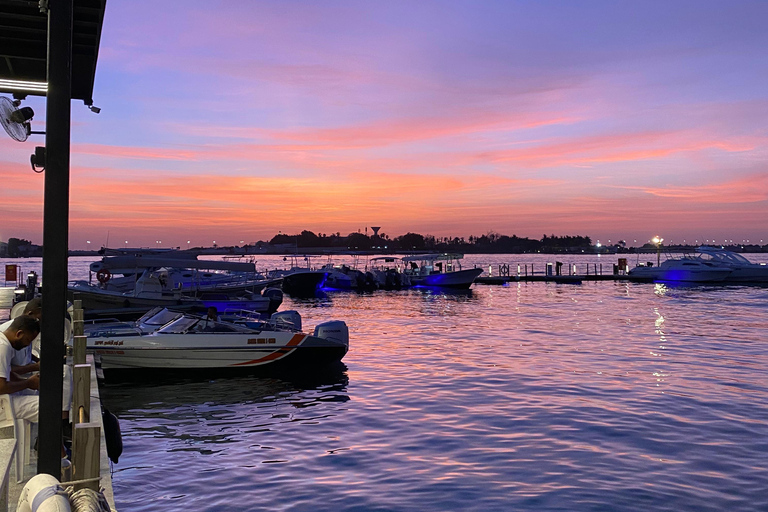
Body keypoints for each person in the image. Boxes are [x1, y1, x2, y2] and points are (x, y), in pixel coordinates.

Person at [0, 316, 41, 421]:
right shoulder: (3, 347)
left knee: (38, 394)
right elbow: (1, 387)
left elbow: (7, 373)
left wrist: (28, 381)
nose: (27, 344)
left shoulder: (5, 342)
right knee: (46, 406)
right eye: (27, 340)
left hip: (3, 398)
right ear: (19, 334)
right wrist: (28, 383)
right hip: (2, 403)